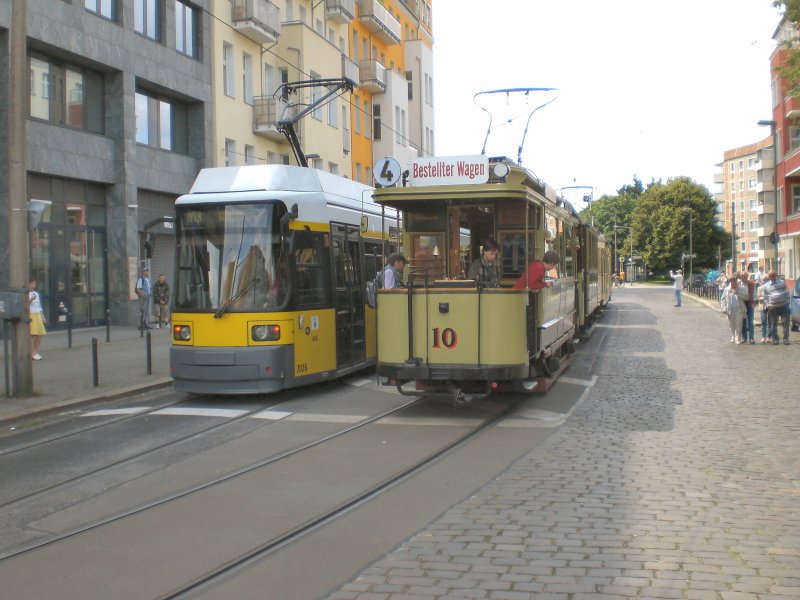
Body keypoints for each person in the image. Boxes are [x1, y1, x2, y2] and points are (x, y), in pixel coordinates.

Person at [762, 270, 791, 345]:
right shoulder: (766, 286)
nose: (772, 277)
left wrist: (788, 301)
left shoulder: (782, 282)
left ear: (776, 276)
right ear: (769, 277)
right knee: (773, 324)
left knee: (785, 323)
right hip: (773, 307)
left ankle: (786, 339)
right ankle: (775, 339)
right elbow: (764, 297)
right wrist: (768, 305)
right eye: (770, 276)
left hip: (784, 306)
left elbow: (787, 291)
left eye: (773, 275)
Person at [720, 277, 747, 344]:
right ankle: (733, 336)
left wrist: (738, 293)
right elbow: (723, 299)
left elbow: (746, 297)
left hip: (739, 309)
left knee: (739, 324)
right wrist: (724, 309)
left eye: (734, 281)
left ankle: (737, 339)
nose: (733, 283)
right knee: (732, 325)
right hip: (730, 309)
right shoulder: (727, 289)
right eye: (731, 281)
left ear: (736, 282)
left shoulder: (741, 289)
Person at [28, 278, 46, 360]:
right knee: (32, 334)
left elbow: (39, 306)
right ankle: (32, 353)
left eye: (34, 283)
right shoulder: (25, 293)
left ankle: (36, 352)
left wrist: (42, 316)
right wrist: (30, 300)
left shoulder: (36, 293)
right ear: (28, 284)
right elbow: (24, 306)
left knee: (40, 334)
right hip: (31, 314)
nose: (33, 285)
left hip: (38, 314)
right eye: (31, 283)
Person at [738, 272, 756, 344]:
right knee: (743, 322)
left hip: (750, 303)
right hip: (741, 304)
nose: (745, 278)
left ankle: (751, 338)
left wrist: (754, 302)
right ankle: (744, 338)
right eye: (743, 277)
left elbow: (754, 293)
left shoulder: (751, 284)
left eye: (746, 276)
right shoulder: (738, 284)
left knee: (751, 322)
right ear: (740, 277)